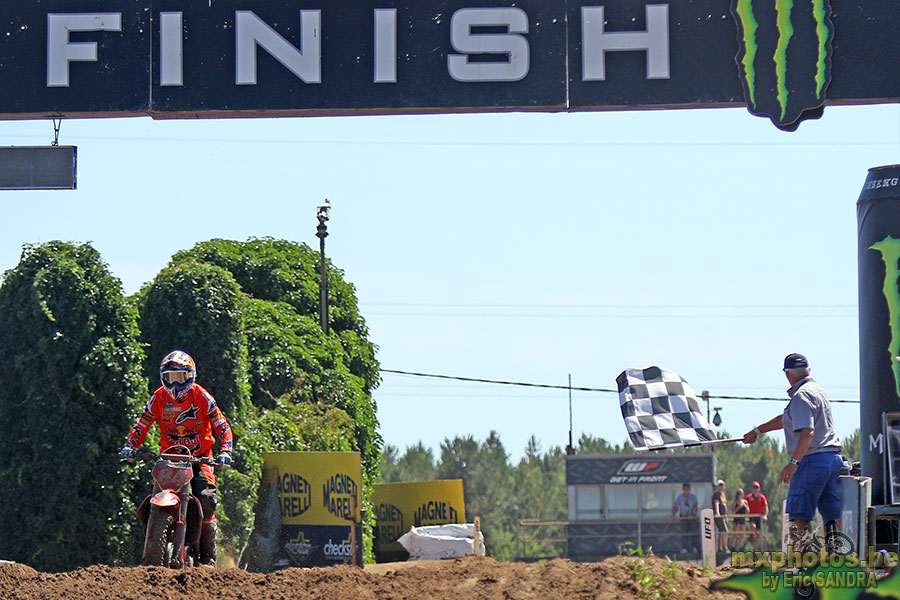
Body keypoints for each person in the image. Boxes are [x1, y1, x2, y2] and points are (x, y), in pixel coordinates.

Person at [120, 350, 234, 566]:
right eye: (170, 378)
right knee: (152, 498)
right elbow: (142, 425)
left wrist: (226, 451)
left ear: (191, 376)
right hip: (169, 457)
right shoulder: (158, 397)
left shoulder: (202, 397)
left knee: (206, 499)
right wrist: (130, 446)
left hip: (201, 457)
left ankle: (208, 556)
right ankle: (151, 544)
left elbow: (223, 426)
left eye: (180, 378)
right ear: (163, 378)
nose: (175, 385)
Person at [742, 353, 842, 555]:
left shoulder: (801, 396)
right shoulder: (817, 391)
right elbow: (786, 419)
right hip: (832, 458)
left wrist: (793, 462)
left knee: (799, 514)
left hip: (811, 460)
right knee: (834, 513)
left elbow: (807, 431)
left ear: (788, 375)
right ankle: (842, 557)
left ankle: (803, 564)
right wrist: (757, 431)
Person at [672, 482, 699, 553]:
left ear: (689, 489)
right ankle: (684, 548)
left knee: (693, 533)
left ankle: (694, 548)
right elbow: (676, 506)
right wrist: (674, 514)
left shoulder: (693, 497)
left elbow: (695, 506)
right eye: (684, 489)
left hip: (691, 517)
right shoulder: (680, 497)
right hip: (683, 517)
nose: (686, 491)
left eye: (687, 489)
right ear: (683, 489)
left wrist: (692, 515)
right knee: (684, 533)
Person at [745, 481, 769, 551]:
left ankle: (755, 550)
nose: (755, 489)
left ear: (759, 489)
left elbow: (766, 507)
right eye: (754, 488)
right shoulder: (748, 497)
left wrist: (765, 515)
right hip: (752, 516)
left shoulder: (762, 497)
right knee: (753, 526)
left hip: (759, 517)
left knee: (758, 534)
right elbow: (745, 506)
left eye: (757, 488)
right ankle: (751, 535)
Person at [712, 479, 729, 552]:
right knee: (724, 531)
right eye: (720, 485)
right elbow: (716, 503)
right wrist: (717, 512)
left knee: (722, 531)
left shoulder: (723, 494)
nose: (721, 487)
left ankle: (720, 548)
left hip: (724, 515)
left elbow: (724, 504)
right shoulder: (716, 494)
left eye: (722, 485)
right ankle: (724, 547)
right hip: (720, 516)